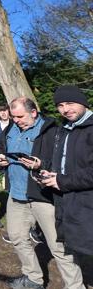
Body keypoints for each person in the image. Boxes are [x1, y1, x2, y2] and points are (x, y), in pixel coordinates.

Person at [0, 97, 83, 289]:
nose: (16, 120)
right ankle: (33, 278)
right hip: (17, 195)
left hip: (43, 197)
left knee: (59, 247)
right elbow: (0, 148)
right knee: (18, 238)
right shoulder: (11, 128)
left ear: (33, 112)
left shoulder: (52, 131)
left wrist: (40, 164)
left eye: (20, 116)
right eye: (13, 116)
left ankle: (75, 286)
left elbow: (63, 163)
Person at [41, 85, 93, 257]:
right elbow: (65, 162)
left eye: (70, 103)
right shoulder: (64, 128)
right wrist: (48, 172)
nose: (65, 109)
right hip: (70, 203)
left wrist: (62, 181)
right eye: (60, 105)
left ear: (83, 102)